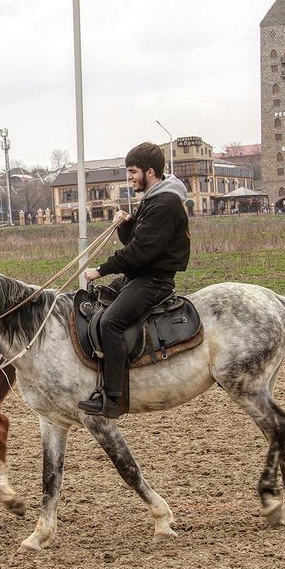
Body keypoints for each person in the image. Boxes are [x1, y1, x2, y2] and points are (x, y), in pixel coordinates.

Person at [78, 142, 190, 418]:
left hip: (154, 280)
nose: (129, 177)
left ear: (149, 172)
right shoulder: (153, 198)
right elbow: (137, 242)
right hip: (140, 275)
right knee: (99, 301)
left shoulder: (164, 203)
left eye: (132, 172)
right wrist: (127, 224)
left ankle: (113, 398)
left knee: (111, 322)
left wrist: (102, 270)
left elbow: (139, 253)